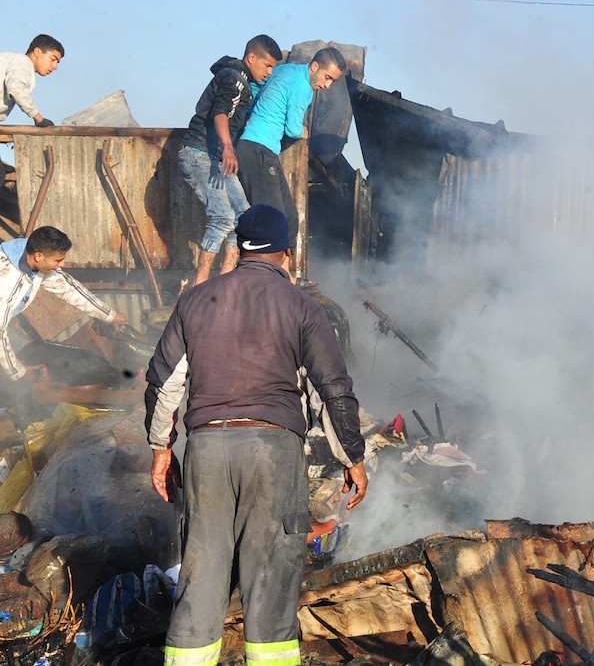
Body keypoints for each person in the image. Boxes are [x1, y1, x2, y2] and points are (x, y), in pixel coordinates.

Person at [145, 204, 368, 665]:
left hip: (206, 448)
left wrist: (161, 450)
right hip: (273, 448)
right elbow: (333, 390)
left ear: (239, 249)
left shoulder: (196, 300)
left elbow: (164, 382)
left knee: (201, 575)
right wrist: (353, 458)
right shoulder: (303, 307)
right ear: (287, 252)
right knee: (270, 577)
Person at [179, 35, 282, 285]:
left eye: (273, 68)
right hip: (199, 153)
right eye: (267, 65)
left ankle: (226, 284)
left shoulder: (242, 80)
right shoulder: (235, 79)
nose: (269, 72)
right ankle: (199, 287)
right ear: (251, 58)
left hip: (214, 156)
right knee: (223, 217)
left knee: (243, 218)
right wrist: (228, 147)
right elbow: (220, 112)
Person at [0, 226, 129, 408]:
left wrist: (110, 315)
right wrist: (18, 373)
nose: (62, 265)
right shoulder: (5, 280)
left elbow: (68, 287)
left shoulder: (29, 254)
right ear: (39, 256)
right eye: (58, 260)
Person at [236, 47, 346, 253]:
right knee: (271, 221)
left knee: (289, 217)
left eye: (333, 81)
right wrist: (303, 132)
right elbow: (293, 128)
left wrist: (251, 111)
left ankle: (288, 275)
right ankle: (263, 276)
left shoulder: (285, 70)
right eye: (327, 77)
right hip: (257, 148)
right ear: (314, 66)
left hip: (262, 150)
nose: (327, 85)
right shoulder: (303, 88)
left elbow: (255, 87)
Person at [0, 35, 63, 126]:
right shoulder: (22, 62)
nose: (55, 66)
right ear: (37, 52)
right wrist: (39, 119)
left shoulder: (11, 60)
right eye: (53, 59)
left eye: (57, 62)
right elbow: (16, 89)